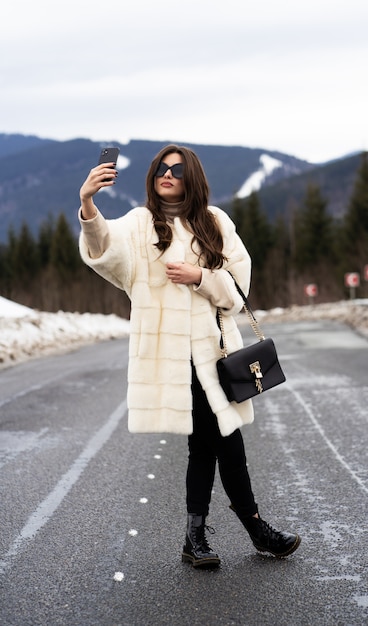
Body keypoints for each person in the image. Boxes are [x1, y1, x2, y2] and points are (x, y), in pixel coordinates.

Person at [78, 144, 301, 568]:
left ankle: (201, 537)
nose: (167, 174)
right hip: (171, 357)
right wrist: (88, 204)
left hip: (215, 356)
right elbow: (104, 253)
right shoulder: (140, 223)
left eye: (177, 169)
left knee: (210, 443)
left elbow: (239, 291)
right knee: (221, 440)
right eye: (161, 168)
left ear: (191, 177)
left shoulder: (216, 222)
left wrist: (200, 276)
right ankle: (248, 530)